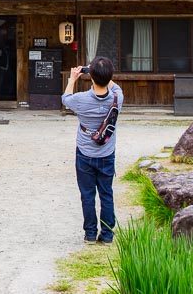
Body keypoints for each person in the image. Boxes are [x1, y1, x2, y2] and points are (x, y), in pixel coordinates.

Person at [62, 56, 123, 244]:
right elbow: (113, 85)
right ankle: (106, 235)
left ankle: (89, 233)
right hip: (106, 152)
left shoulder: (80, 100)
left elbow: (65, 99)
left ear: (92, 77)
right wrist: (100, 73)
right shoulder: (117, 97)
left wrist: (73, 78)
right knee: (106, 193)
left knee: (87, 194)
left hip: (85, 152)